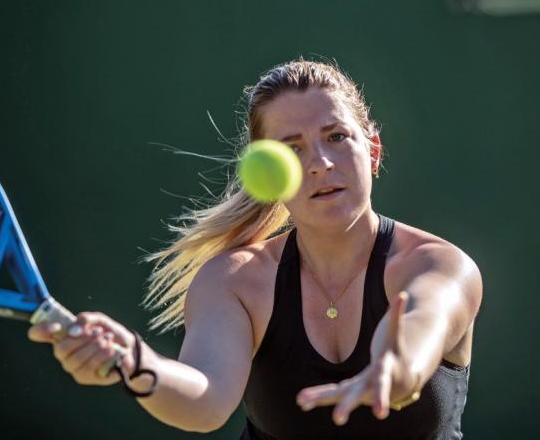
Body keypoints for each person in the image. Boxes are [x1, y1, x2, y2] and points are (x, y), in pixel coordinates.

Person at [28, 59, 482, 440]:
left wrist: (396, 369)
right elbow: (204, 402)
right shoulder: (235, 280)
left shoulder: (439, 265)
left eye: (337, 137)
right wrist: (133, 361)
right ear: (269, 174)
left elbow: (421, 327)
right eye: (292, 149)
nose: (320, 164)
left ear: (374, 151)